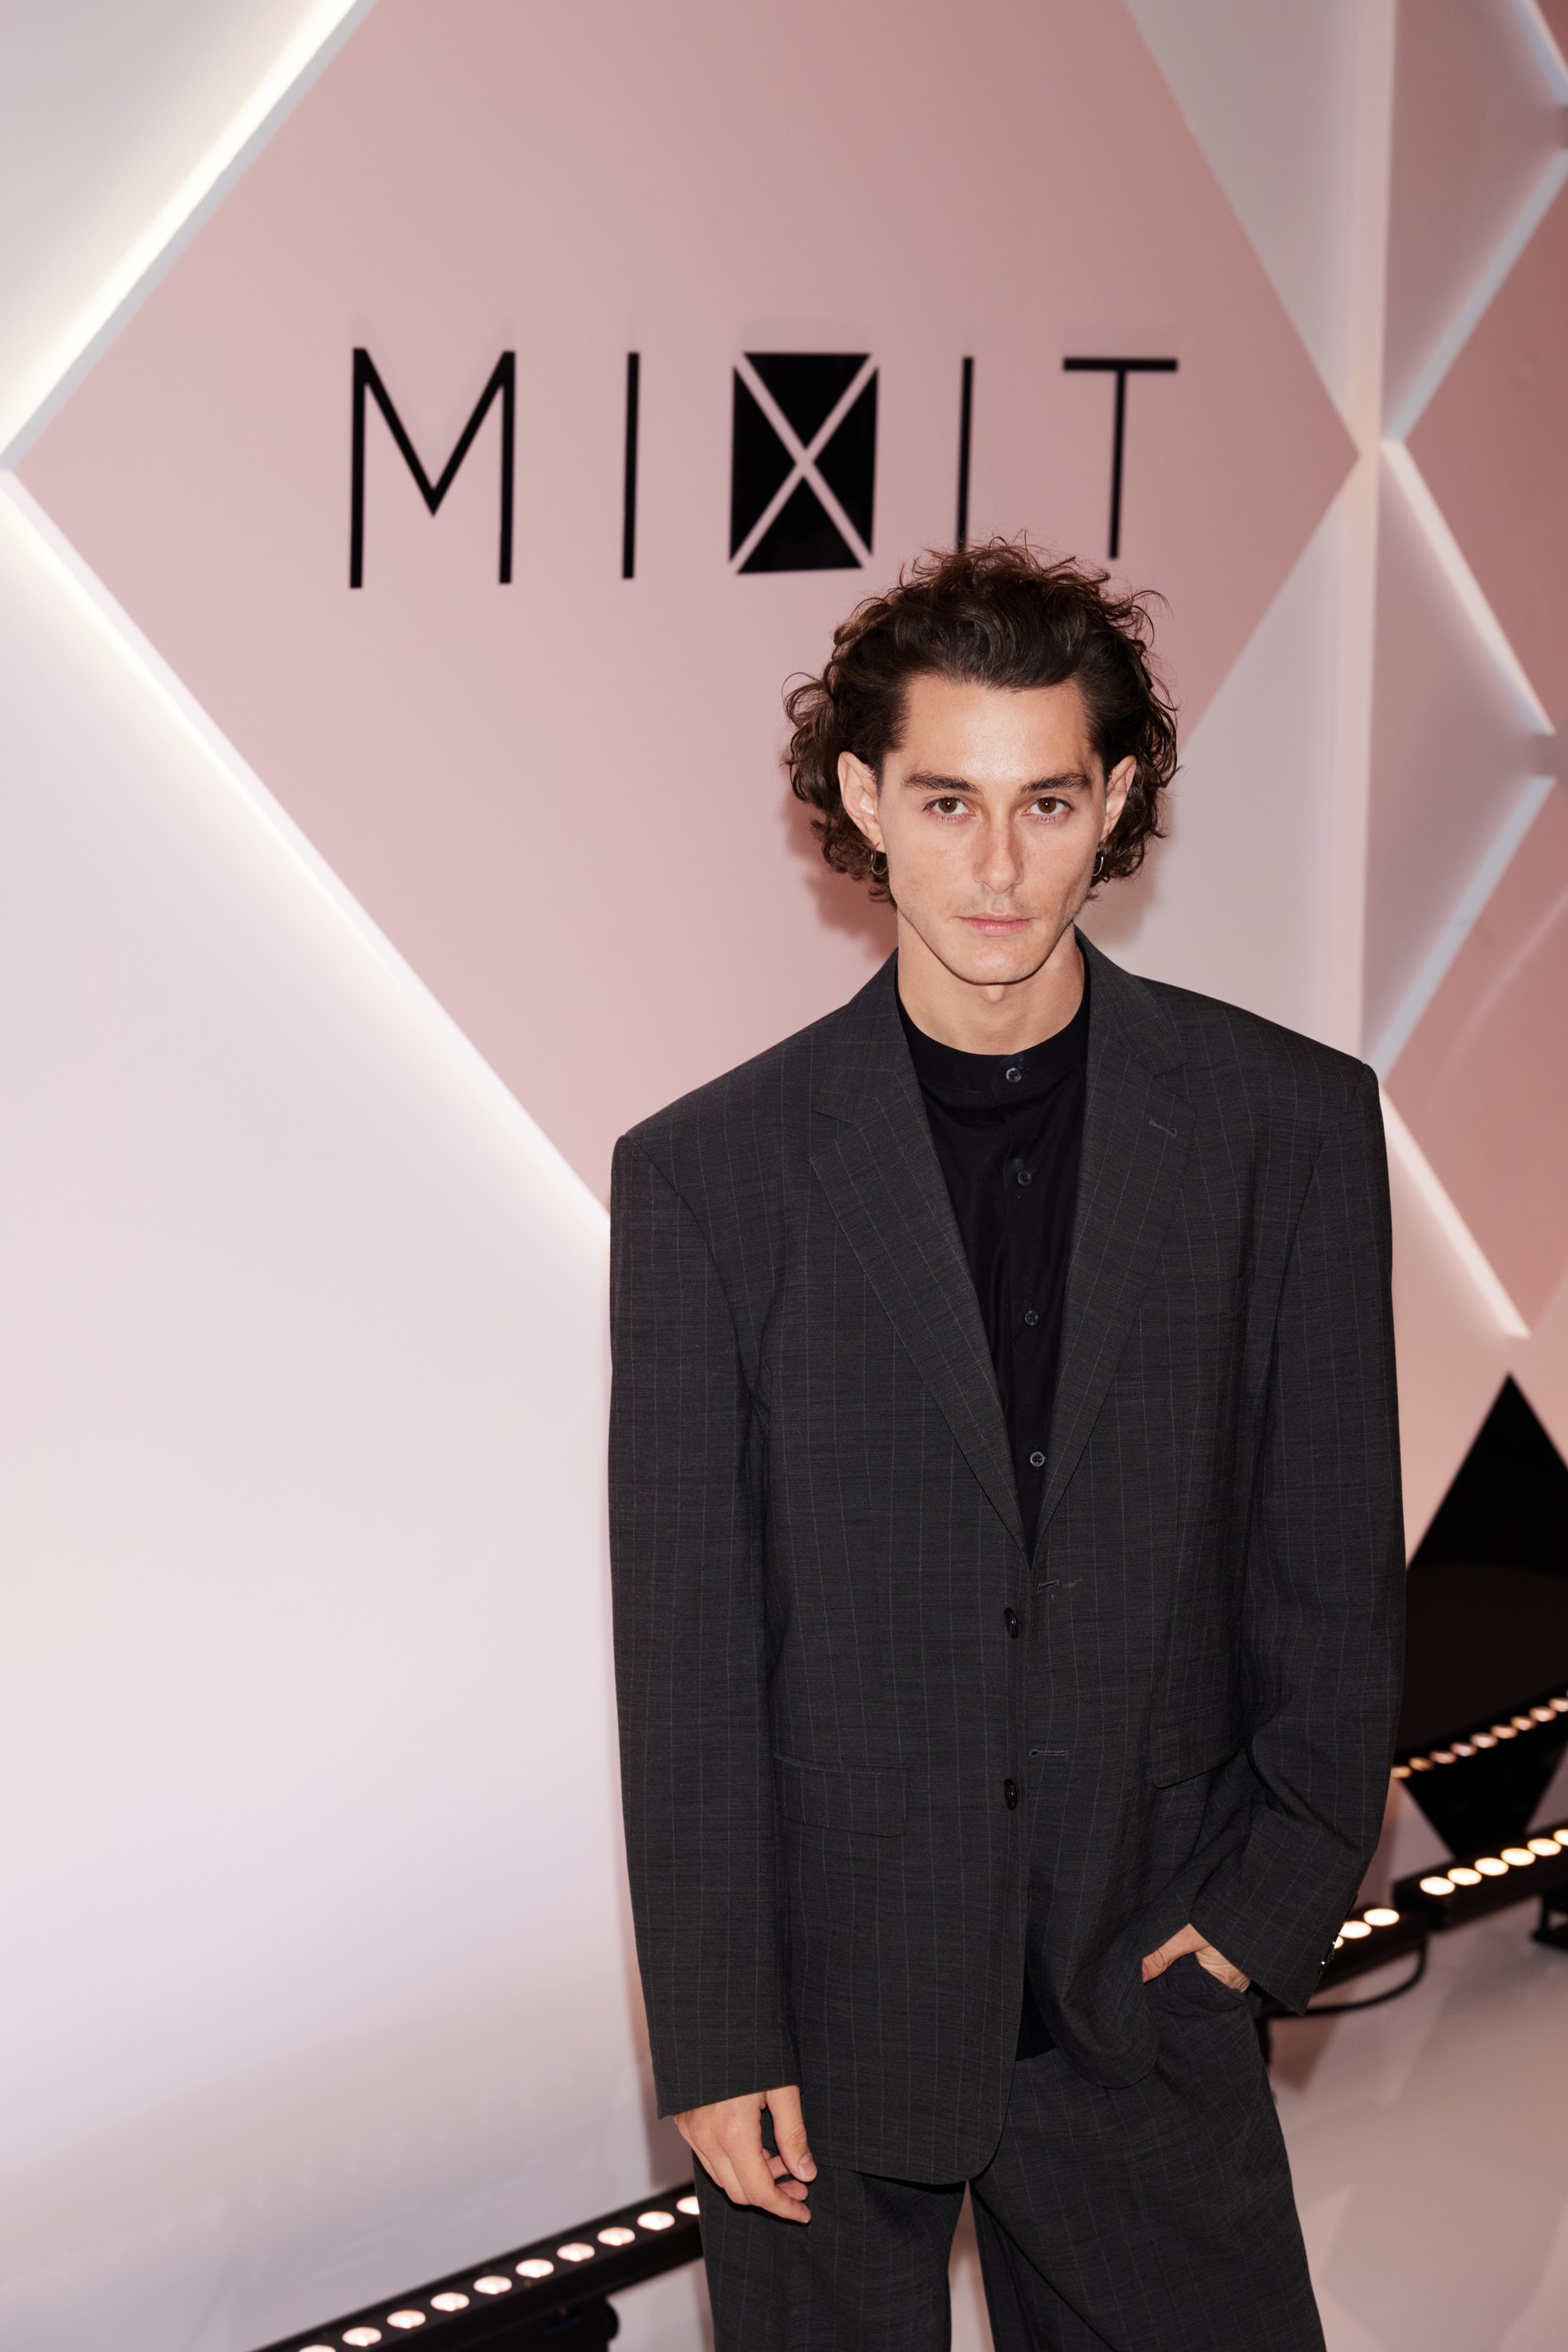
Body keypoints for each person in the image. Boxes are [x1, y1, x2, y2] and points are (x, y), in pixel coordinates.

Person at [607, 541, 1403, 2351]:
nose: (993, 865)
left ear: (1111, 801)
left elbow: (1329, 1555)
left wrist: (1276, 1892)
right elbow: (687, 1646)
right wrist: (716, 2031)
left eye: (1043, 802)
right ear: (861, 798)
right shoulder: (709, 1177)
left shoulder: (1284, 1127)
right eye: (945, 800)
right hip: (824, 2010)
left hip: (1150, 1967)